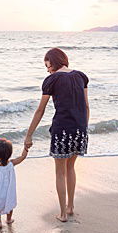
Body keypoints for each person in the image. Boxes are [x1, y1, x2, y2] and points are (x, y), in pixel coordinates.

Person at [24, 48, 89, 222]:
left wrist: (29, 135)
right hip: (80, 130)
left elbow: (40, 110)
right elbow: (87, 106)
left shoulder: (51, 80)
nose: (47, 70)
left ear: (52, 62)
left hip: (62, 130)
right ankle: (70, 207)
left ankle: (62, 214)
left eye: (47, 65)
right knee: (71, 168)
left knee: (60, 172)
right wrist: (83, 128)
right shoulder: (81, 76)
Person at [0, 138, 29, 229]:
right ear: (9, 153)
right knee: (9, 204)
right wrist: (26, 148)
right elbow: (22, 157)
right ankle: (8, 219)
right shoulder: (11, 163)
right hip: (8, 192)